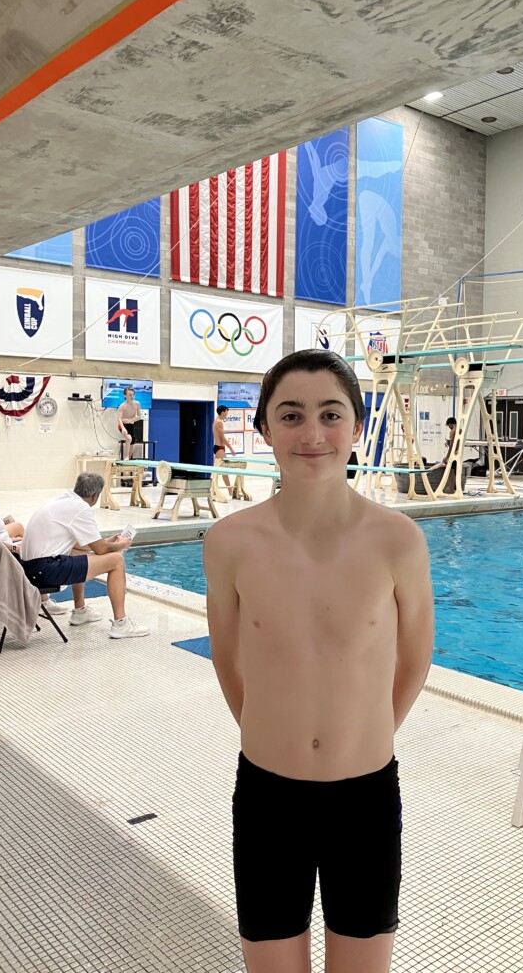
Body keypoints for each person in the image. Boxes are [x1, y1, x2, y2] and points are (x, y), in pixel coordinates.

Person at [203, 349, 434, 973]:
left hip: (365, 797)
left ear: (357, 426)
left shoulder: (398, 540)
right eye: (291, 415)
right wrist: (271, 732)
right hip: (267, 796)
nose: (312, 434)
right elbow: (228, 658)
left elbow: (416, 656)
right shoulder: (229, 542)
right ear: (264, 429)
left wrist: (365, 734)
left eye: (331, 414)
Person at [20, 472, 148, 638]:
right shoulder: (81, 508)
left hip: (29, 569)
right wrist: (120, 545)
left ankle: (80, 611)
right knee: (116, 560)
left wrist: (108, 542)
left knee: (78, 552)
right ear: (95, 496)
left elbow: (83, 545)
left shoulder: (62, 501)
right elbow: (101, 549)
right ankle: (121, 624)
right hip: (44, 572)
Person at [212, 404, 237, 495]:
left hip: (217, 447)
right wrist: (231, 449)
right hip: (220, 448)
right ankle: (229, 489)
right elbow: (223, 438)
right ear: (222, 412)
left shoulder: (216, 421)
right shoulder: (219, 422)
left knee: (218, 470)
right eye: (226, 412)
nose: (227, 414)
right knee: (223, 470)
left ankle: (214, 489)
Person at [117, 386, 142, 461]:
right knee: (128, 438)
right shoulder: (122, 406)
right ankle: (126, 456)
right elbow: (119, 419)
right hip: (122, 425)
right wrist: (123, 428)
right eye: (130, 395)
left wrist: (130, 420)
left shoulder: (137, 404)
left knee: (132, 444)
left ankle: (129, 458)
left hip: (131, 425)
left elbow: (139, 416)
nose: (132, 397)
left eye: (133, 395)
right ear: (125, 395)